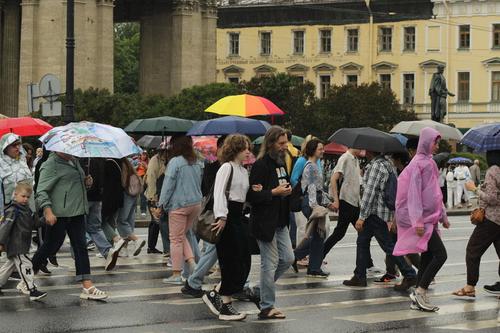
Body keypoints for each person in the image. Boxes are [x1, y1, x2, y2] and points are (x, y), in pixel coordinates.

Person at [32, 151, 107, 300]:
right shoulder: (50, 165)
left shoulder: (74, 161)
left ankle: (87, 285)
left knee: (81, 247)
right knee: (50, 246)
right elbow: (41, 191)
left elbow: (71, 186)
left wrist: (86, 184)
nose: (70, 150)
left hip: (77, 211)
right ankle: (27, 275)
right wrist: (47, 210)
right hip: (58, 213)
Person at [393, 128, 450, 311]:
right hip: (423, 219)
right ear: (426, 142)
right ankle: (420, 291)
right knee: (441, 255)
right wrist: (417, 221)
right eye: (435, 142)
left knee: (427, 256)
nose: (437, 146)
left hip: (430, 218)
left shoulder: (430, 163)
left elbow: (435, 192)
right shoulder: (418, 164)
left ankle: (418, 294)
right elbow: (414, 194)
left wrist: (442, 216)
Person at [343, 150, 417, 290]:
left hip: (375, 213)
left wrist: (362, 216)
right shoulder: (387, 164)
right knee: (362, 241)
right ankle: (359, 275)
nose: (363, 150)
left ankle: (410, 274)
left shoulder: (377, 166)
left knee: (388, 246)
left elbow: (369, 192)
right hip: (379, 212)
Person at [202, 134, 254, 321]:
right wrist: (222, 216)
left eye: (248, 148)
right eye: (245, 148)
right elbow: (219, 193)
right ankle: (225, 305)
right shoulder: (226, 167)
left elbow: (242, 195)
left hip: (239, 216)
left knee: (243, 259)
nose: (248, 151)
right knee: (230, 260)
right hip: (227, 216)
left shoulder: (243, 169)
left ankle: (216, 294)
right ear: (236, 149)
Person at [247, 126, 294, 320]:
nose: (285, 147)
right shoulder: (261, 165)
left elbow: (284, 185)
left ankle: (259, 289)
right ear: (271, 143)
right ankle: (267, 306)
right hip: (265, 222)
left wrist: (288, 191)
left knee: (288, 258)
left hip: (280, 220)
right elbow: (252, 196)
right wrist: (274, 192)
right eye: (281, 143)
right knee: (270, 263)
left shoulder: (281, 163)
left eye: (286, 143)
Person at [182, 136, 226, 298]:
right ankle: (194, 281)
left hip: (226, 214)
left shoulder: (235, 167)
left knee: (216, 250)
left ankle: (194, 281)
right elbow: (208, 190)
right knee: (212, 249)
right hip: (216, 213)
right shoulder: (212, 167)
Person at [453, 149, 500, 297]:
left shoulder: (493, 170)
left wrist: (475, 189)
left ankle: (470, 286)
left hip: (491, 219)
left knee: (473, 251)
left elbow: (492, 199)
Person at [159, 135, 203, 285]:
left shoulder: (175, 162)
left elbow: (168, 185)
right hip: (196, 203)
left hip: (179, 204)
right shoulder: (197, 161)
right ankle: (191, 263)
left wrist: (161, 204)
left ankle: (177, 273)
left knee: (175, 239)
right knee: (182, 235)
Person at [293, 139, 333, 278]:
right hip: (311, 202)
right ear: (312, 150)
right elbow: (311, 187)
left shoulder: (316, 164)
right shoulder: (311, 166)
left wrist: (328, 203)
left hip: (315, 200)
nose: (323, 151)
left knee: (317, 235)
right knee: (319, 235)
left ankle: (298, 259)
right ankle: (313, 268)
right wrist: (314, 206)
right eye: (320, 149)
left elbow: (319, 189)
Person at [0, 183, 47, 301]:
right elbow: (5, 227)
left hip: (23, 243)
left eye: (27, 197)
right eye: (23, 196)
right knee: (26, 265)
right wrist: (0, 242)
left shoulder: (28, 210)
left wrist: (44, 220)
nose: (25, 199)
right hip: (16, 244)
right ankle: (31, 290)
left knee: (9, 266)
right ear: (15, 195)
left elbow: (34, 224)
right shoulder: (12, 210)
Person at [81, 158, 125, 271]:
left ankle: (78, 259)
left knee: (78, 228)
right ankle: (108, 251)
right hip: (98, 198)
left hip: (85, 197)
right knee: (95, 228)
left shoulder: (82, 158)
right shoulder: (101, 159)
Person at [117, 158, 145, 256]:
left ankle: (136, 240)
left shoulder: (121, 164)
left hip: (126, 194)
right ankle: (124, 249)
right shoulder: (128, 163)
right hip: (134, 194)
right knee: (129, 221)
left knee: (121, 220)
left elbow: (124, 181)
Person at [145, 146, 170, 255]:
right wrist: (152, 196)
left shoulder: (167, 160)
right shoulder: (155, 160)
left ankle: (151, 246)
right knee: (156, 221)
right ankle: (151, 246)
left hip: (162, 194)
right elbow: (151, 177)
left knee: (157, 222)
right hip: (155, 195)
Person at [136, 151, 149, 216]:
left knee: (143, 195)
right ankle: (134, 210)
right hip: (137, 178)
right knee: (135, 194)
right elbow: (133, 170)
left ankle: (143, 210)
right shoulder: (137, 161)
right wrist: (137, 166)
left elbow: (150, 171)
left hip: (144, 178)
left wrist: (145, 166)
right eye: (142, 155)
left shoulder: (148, 162)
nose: (143, 156)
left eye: (144, 155)